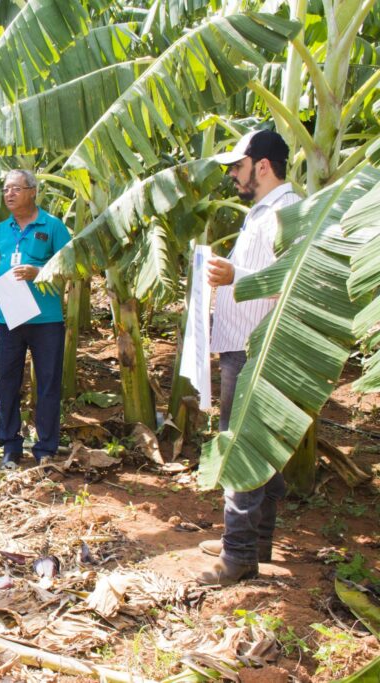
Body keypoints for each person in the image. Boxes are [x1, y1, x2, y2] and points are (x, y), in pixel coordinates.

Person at [197, 130, 301, 585]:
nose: (232, 176)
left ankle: (238, 554)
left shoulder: (289, 212)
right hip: (242, 342)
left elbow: (296, 278)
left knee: (240, 446)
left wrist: (236, 273)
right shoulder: (261, 213)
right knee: (258, 447)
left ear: (261, 165)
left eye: (236, 167)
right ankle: (257, 541)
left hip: (261, 346)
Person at [0, 170, 71, 469]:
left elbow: (72, 268)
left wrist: (40, 272)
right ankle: (10, 445)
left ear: (32, 191)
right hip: (10, 317)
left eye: (15, 188)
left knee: (47, 383)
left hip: (46, 319)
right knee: (7, 382)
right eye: (5, 189)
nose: (9, 194)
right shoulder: (1, 230)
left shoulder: (53, 227)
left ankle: (45, 448)